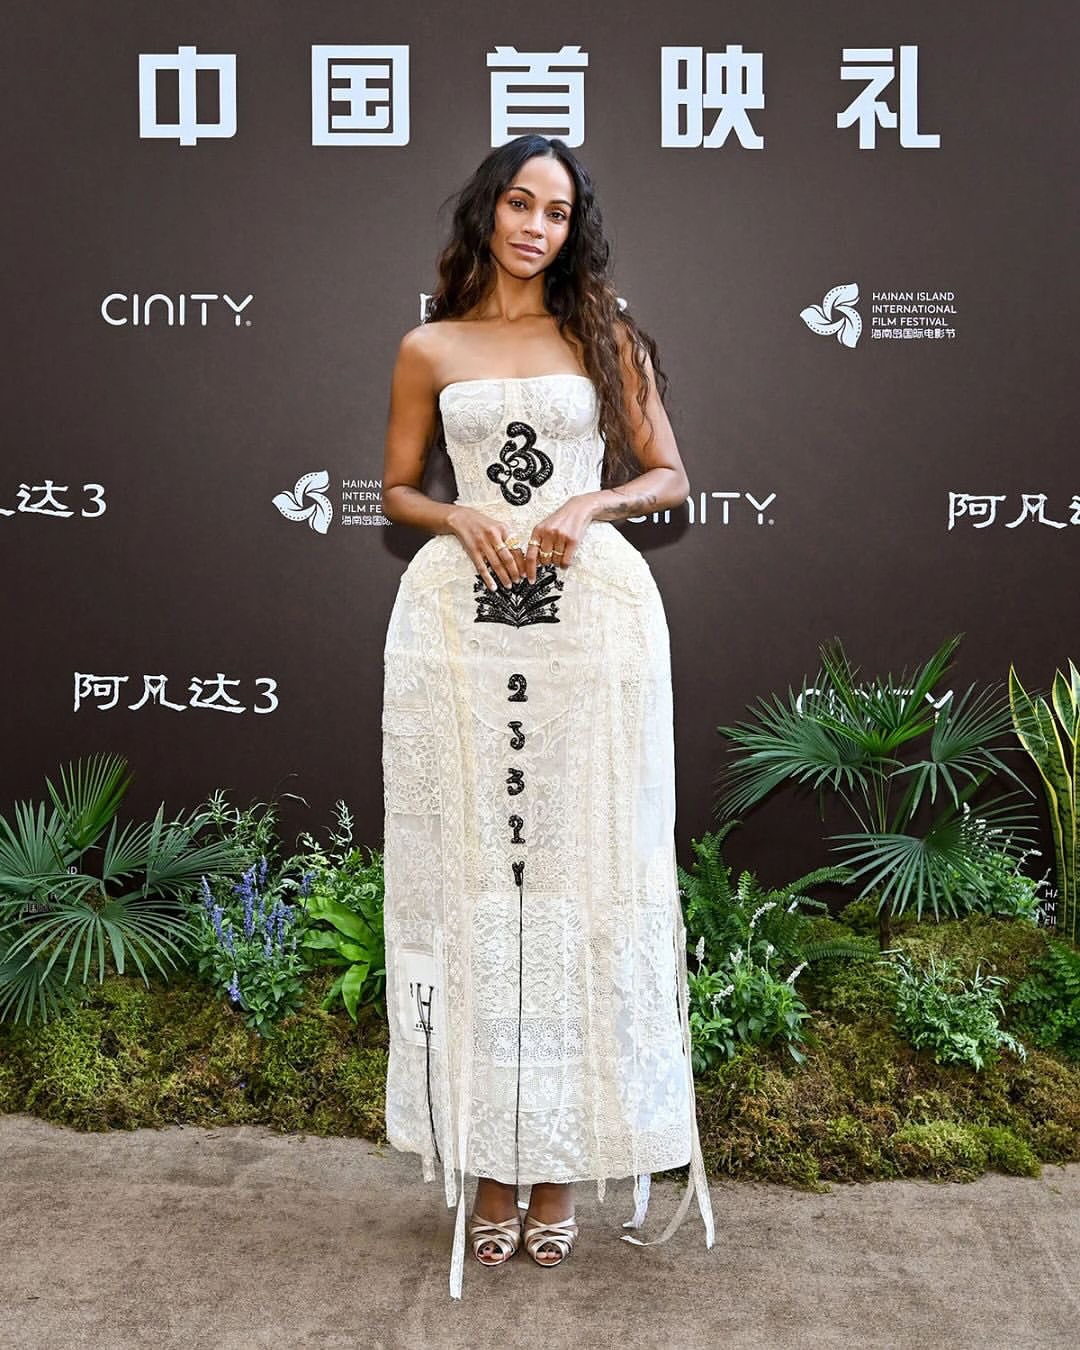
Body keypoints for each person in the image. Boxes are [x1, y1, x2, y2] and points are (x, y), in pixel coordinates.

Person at [380, 134, 715, 1300]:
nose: (536, 225)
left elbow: (672, 474)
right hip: (462, 630)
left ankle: (560, 1173)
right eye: (519, 203)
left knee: (581, 874)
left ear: (575, 229)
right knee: (479, 876)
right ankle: (485, 1169)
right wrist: (454, 517)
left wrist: (597, 495)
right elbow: (395, 490)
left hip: (591, 630)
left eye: (558, 211)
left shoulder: (601, 333)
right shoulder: (430, 344)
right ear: (487, 214)